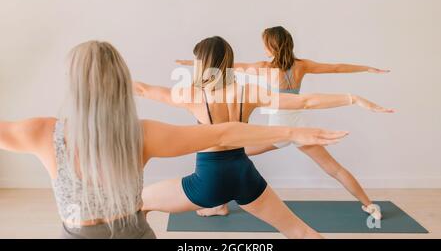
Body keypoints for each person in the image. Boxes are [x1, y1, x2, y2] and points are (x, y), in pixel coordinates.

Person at [0, 41, 348, 239]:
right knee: (299, 231)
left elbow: (216, 130)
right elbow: (224, 133)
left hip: (88, 232)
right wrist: (291, 132)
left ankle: (217, 205)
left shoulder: (43, 132)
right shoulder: (142, 132)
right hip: (138, 230)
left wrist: (290, 133)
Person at [135, 36, 392, 238]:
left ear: (202, 63)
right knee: (300, 233)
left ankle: (216, 205)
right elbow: (304, 101)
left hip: (208, 181)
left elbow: (144, 89)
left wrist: (101, 75)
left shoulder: (190, 94)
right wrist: (352, 98)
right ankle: (219, 205)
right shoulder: (248, 91)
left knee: (137, 203)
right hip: (245, 175)